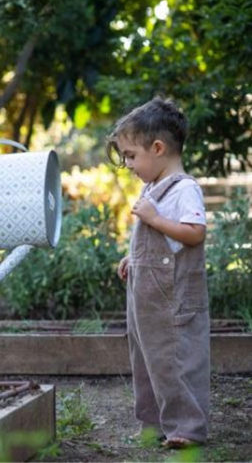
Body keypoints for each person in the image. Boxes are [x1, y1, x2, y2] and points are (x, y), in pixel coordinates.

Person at [108, 97, 210, 449]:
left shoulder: (185, 189)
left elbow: (194, 234)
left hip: (174, 295)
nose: (128, 164)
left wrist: (154, 218)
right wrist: (131, 258)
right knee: (147, 359)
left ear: (158, 147)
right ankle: (152, 423)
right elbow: (159, 241)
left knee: (176, 360)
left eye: (131, 156)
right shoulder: (152, 188)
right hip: (147, 296)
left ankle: (187, 427)